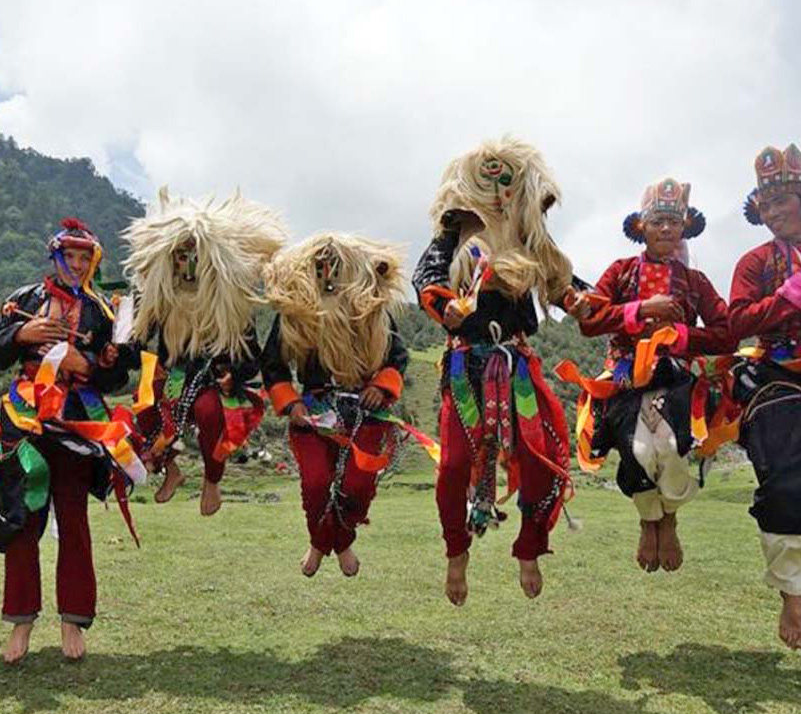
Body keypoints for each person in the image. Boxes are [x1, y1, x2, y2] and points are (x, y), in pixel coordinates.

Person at [413, 136, 588, 606]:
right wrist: (445, 306)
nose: (497, 194)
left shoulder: (527, 235)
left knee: (540, 460)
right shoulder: (454, 232)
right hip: (464, 364)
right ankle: (456, 551)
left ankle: (529, 547)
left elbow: (563, 282)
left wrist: (586, 304)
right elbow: (426, 277)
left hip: (516, 364)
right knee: (451, 467)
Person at [563, 178, 735, 574]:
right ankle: (647, 520)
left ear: (683, 229)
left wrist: (683, 335)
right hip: (624, 371)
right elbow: (591, 322)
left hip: (676, 373)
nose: (665, 229)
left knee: (673, 446)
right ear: (641, 227)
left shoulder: (695, 281)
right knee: (638, 451)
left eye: (673, 223)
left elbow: (726, 331)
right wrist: (641, 309)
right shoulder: (621, 272)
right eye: (657, 221)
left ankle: (669, 518)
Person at [0, 218, 138, 663]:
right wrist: (21, 335)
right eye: (70, 256)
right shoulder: (23, 301)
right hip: (26, 421)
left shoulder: (105, 311)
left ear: (94, 262)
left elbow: (119, 375)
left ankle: (73, 620)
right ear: (55, 256)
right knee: (23, 520)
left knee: (74, 521)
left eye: (85, 258)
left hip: (79, 422)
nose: (77, 265)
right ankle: (20, 621)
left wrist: (92, 364)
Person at [122, 187, 285, 515]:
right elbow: (138, 339)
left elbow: (250, 356)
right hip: (174, 374)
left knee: (210, 413)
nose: (189, 265)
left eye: (196, 256)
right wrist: (119, 348)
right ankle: (172, 470)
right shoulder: (161, 297)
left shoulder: (230, 304)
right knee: (147, 409)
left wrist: (232, 376)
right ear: (171, 260)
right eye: (182, 256)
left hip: (211, 378)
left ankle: (213, 480)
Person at [261, 233, 408, 578]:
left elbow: (397, 356)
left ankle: (333, 542)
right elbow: (273, 364)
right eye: (320, 268)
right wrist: (291, 403)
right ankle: (328, 542)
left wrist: (381, 387)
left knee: (358, 486)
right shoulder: (295, 312)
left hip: (365, 412)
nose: (327, 275)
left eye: (335, 268)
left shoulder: (374, 310)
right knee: (316, 482)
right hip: (313, 411)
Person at [729, 143, 801, 649]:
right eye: (768, 205)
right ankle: (794, 593)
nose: (775, 212)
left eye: (785, 200)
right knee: (782, 482)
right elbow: (736, 321)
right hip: (778, 374)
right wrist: (785, 297)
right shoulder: (754, 262)